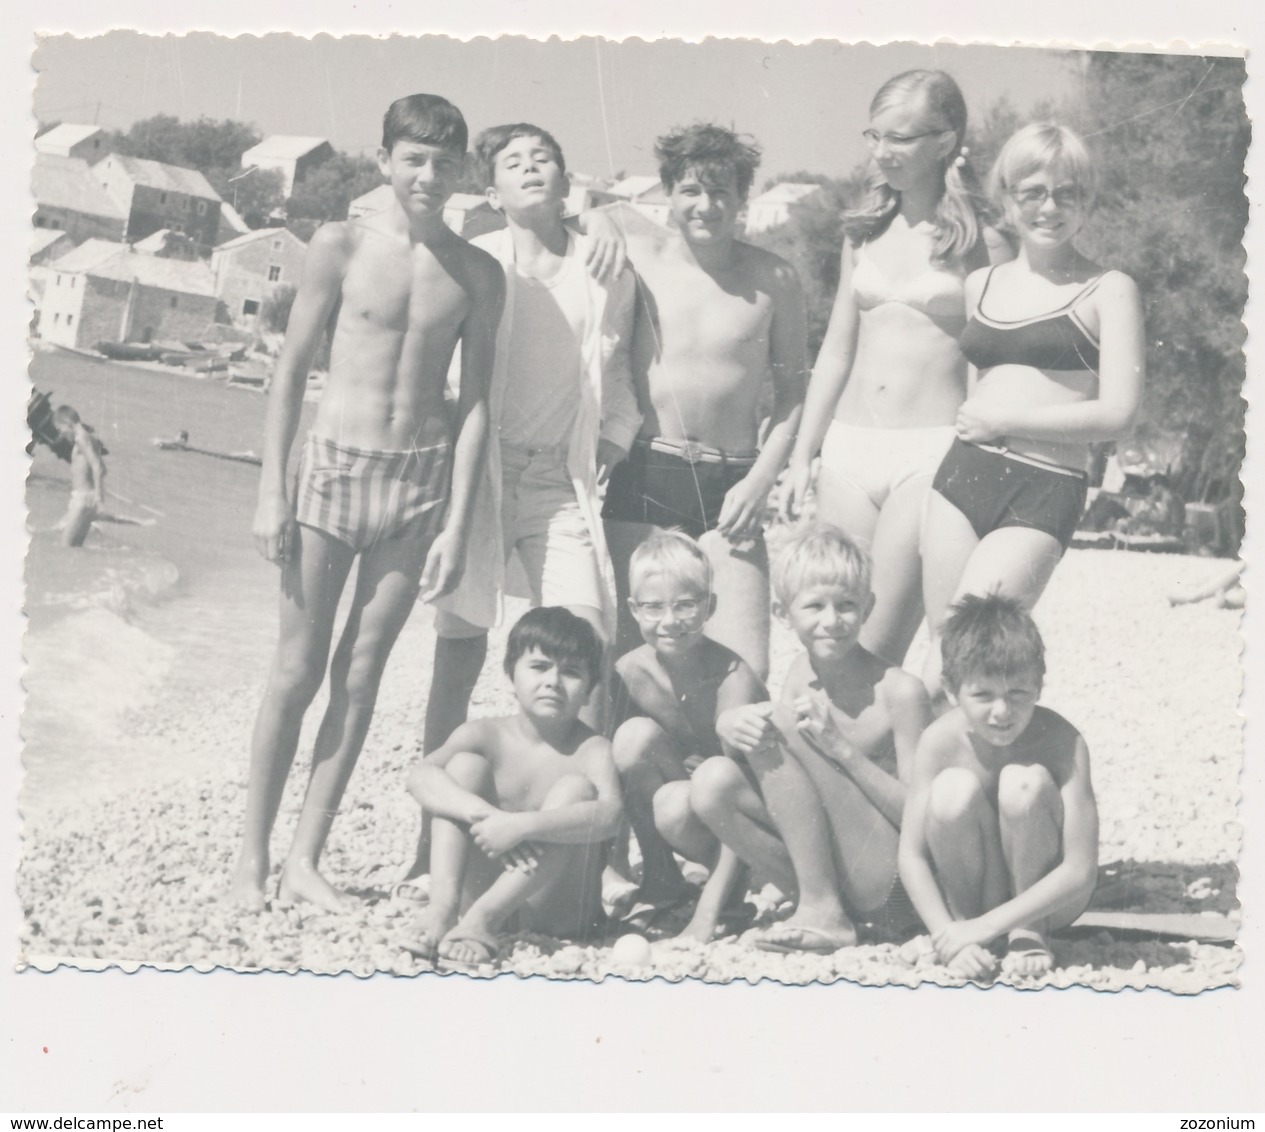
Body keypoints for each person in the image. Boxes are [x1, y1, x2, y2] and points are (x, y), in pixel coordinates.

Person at [225, 93, 504, 913]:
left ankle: (306, 860)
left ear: (461, 172)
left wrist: (456, 523)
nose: (428, 174)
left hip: (417, 482)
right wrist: (269, 489)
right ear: (384, 160)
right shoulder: (338, 244)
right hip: (332, 470)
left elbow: (478, 404)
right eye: (413, 158)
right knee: (294, 669)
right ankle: (250, 857)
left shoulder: (478, 272)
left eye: (444, 162)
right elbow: (290, 372)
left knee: (359, 676)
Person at [423, 122, 640, 754]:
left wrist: (616, 436)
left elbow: (619, 365)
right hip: (479, 473)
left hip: (556, 478)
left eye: (543, 157)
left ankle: (576, 821)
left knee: (585, 647)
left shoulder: (605, 266)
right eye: (512, 162)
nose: (530, 167)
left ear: (567, 183)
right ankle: (433, 832)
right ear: (492, 193)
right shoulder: (478, 259)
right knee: (458, 653)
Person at [782, 69, 1010, 668]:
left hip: (929, 453)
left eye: (900, 138)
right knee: (832, 643)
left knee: (875, 644)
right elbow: (836, 348)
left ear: (945, 140)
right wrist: (804, 453)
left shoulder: (984, 239)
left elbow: (994, 359)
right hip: (849, 449)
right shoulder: (864, 231)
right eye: (874, 136)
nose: (882, 152)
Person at [920, 123, 1145, 700]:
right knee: (937, 663)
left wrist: (1006, 423)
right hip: (961, 476)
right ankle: (933, 790)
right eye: (1034, 192)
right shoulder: (981, 284)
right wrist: (986, 423)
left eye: (1067, 193)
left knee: (972, 658)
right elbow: (979, 391)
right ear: (1007, 196)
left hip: (1043, 487)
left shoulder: (1109, 289)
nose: (1050, 207)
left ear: (1087, 200)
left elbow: (1119, 414)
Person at [602, 122, 808, 682]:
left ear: (743, 197)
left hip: (733, 483)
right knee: (631, 662)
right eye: (691, 190)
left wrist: (762, 481)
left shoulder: (775, 278)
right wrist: (599, 226)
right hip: (647, 472)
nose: (706, 205)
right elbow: (589, 212)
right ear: (668, 193)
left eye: (721, 191)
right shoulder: (639, 257)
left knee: (746, 671)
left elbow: (794, 394)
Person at [689, 525, 929, 954]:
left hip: (895, 887)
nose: (832, 621)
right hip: (846, 883)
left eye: (847, 606)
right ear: (784, 615)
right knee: (713, 781)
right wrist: (730, 728)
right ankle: (819, 903)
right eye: (815, 606)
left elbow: (921, 816)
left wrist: (842, 750)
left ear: (868, 607)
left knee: (777, 725)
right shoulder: (801, 672)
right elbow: (781, 789)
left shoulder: (900, 692)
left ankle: (823, 911)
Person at [405, 607, 622, 970]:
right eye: (539, 667)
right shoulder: (484, 734)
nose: (553, 680)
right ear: (511, 674)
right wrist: (486, 815)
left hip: (559, 911)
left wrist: (521, 827)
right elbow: (420, 775)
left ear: (589, 692)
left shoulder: (592, 749)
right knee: (461, 769)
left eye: (570, 672)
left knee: (576, 790)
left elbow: (610, 816)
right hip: (476, 893)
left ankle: (484, 920)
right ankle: (442, 910)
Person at [898, 593, 1099, 979]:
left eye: (1017, 693)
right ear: (952, 690)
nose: (1002, 712)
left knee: (1023, 783)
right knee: (951, 790)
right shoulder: (938, 742)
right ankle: (964, 927)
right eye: (983, 695)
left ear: (1039, 685)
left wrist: (990, 927)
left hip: (1050, 905)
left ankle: (1026, 931)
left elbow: (1080, 868)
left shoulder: (1063, 740)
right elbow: (912, 855)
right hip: (973, 899)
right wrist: (946, 933)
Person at [609, 531, 768, 941]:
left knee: (676, 806)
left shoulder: (733, 678)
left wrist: (707, 916)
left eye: (686, 605)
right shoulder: (629, 673)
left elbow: (741, 789)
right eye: (653, 607)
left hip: (749, 825)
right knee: (632, 738)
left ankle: (726, 894)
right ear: (632, 609)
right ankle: (661, 880)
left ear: (710, 606)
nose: (669, 621)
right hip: (694, 809)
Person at [53, 405, 107, 547]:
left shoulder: (80, 439)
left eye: (61, 430)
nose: (61, 434)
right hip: (87, 498)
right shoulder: (90, 438)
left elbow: (97, 467)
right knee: (75, 549)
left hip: (82, 499)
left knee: (64, 548)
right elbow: (104, 469)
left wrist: (99, 499)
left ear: (67, 423)